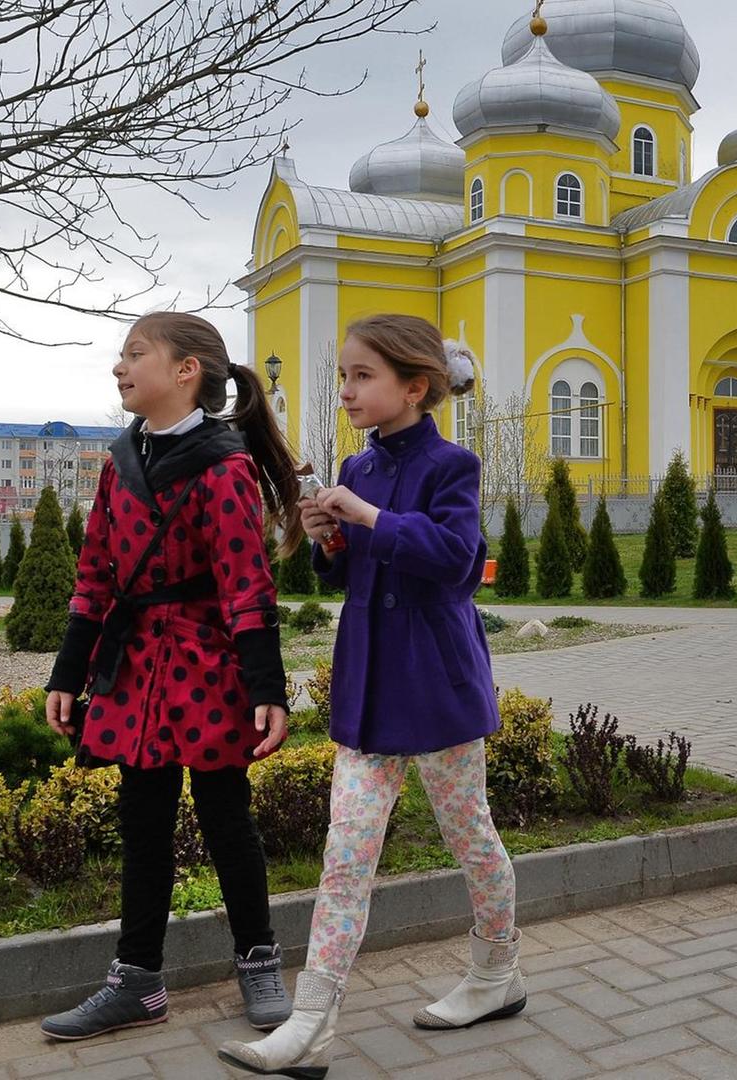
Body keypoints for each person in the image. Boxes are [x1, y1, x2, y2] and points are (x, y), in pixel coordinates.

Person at [219, 315, 520, 1078]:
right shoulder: (353, 470)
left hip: (439, 683)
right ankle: (312, 1026)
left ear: (414, 387)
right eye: (344, 376)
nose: (347, 390)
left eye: (362, 376)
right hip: (370, 690)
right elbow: (349, 577)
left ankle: (495, 974)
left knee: (471, 837)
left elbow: (455, 563)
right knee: (345, 856)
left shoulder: (454, 464)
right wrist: (328, 537)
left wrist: (371, 519)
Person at [40, 311, 298, 1040]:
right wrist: (68, 673)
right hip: (132, 667)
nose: (119, 367)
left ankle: (259, 963)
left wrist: (266, 690)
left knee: (228, 822)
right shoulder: (118, 461)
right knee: (142, 824)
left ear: (186, 371)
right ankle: (138, 982)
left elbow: (248, 587)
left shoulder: (224, 464)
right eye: (120, 356)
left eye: (134, 354)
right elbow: (93, 578)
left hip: (206, 665)